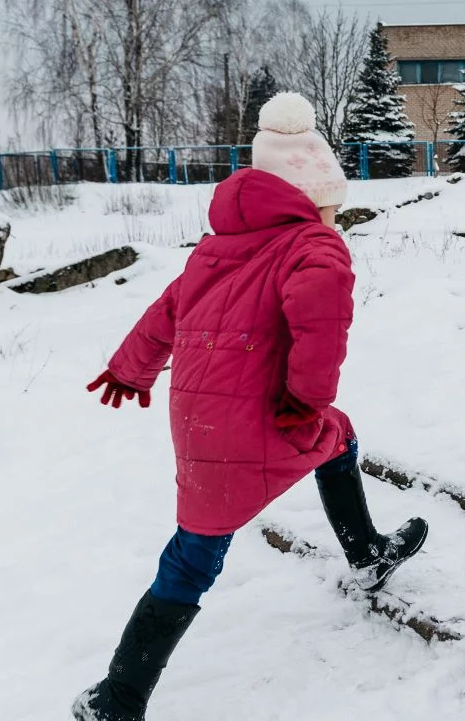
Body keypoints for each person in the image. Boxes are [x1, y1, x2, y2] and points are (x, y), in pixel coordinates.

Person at [72, 92, 428, 721]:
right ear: (313, 197)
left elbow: (164, 313)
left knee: (335, 440)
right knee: (197, 555)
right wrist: (305, 400)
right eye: (331, 203)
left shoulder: (217, 247)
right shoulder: (316, 246)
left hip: (198, 418)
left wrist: (130, 370)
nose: (335, 214)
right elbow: (321, 328)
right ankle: (118, 703)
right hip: (264, 416)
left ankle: (367, 554)